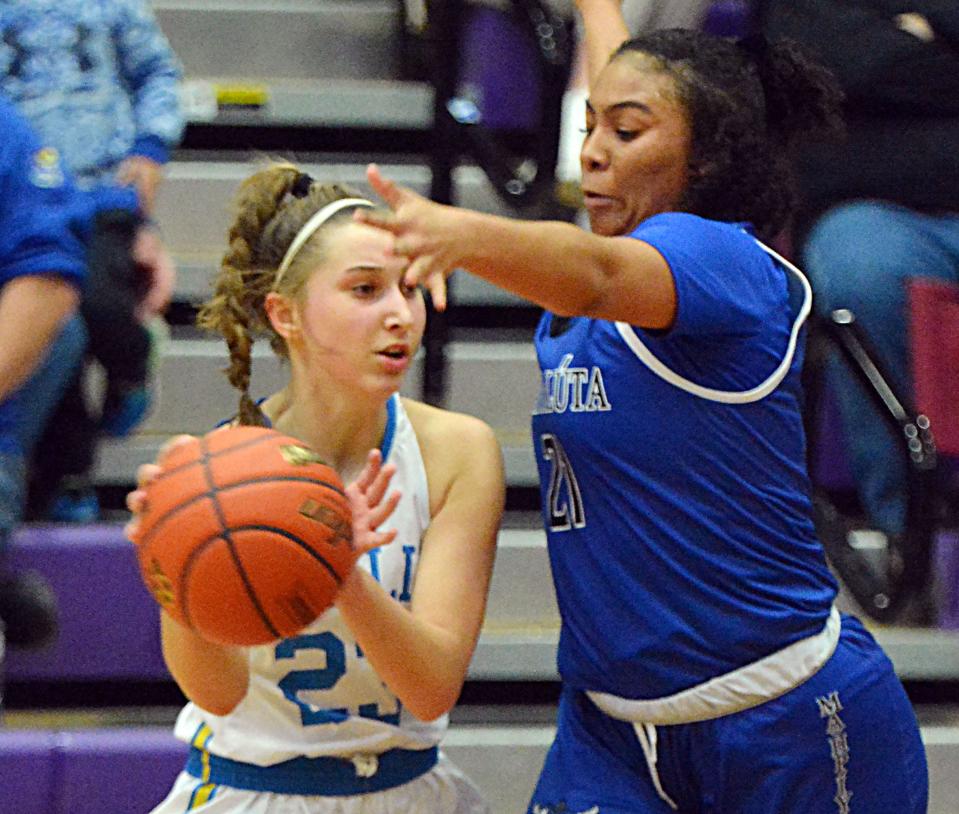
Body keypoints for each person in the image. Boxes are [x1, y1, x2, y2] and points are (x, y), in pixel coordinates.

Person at [355, 0, 930, 810]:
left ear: (701, 160)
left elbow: (595, 272)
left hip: (784, 720)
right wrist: (597, 10)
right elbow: (635, 95)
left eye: (624, 134)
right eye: (588, 125)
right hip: (613, 733)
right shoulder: (603, 271)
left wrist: (460, 233)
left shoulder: (719, 258)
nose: (591, 152)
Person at [126, 163, 505, 812]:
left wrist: (341, 573)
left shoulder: (458, 453)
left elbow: (432, 687)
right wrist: (171, 566)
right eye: (364, 290)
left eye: (408, 289)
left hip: (407, 791)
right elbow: (217, 695)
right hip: (251, 791)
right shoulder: (213, 474)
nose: (399, 315)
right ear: (286, 313)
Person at [755, 0, 959, 541]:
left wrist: (911, 41)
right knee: (860, 267)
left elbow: (866, 67)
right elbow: (823, 60)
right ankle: (908, 531)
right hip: (873, 213)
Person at [0, 0, 184, 522]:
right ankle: (68, 474)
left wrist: (151, 148)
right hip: (27, 198)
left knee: (99, 307)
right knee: (55, 335)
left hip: (102, 192)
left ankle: (132, 367)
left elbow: (157, 71)